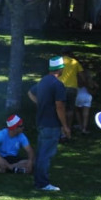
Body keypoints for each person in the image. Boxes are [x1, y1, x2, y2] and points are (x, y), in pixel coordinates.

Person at [27, 56, 69, 192]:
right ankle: (43, 183)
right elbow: (60, 106)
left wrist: (40, 104)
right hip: (52, 124)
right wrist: (65, 125)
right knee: (46, 154)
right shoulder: (58, 84)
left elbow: (30, 92)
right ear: (60, 68)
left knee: (41, 153)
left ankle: (38, 181)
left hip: (41, 122)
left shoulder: (43, 81)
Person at [57, 53, 95, 134]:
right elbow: (83, 78)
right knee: (70, 109)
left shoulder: (58, 61)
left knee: (60, 108)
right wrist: (87, 85)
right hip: (72, 89)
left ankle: (61, 129)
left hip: (60, 87)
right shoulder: (75, 62)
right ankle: (70, 128)